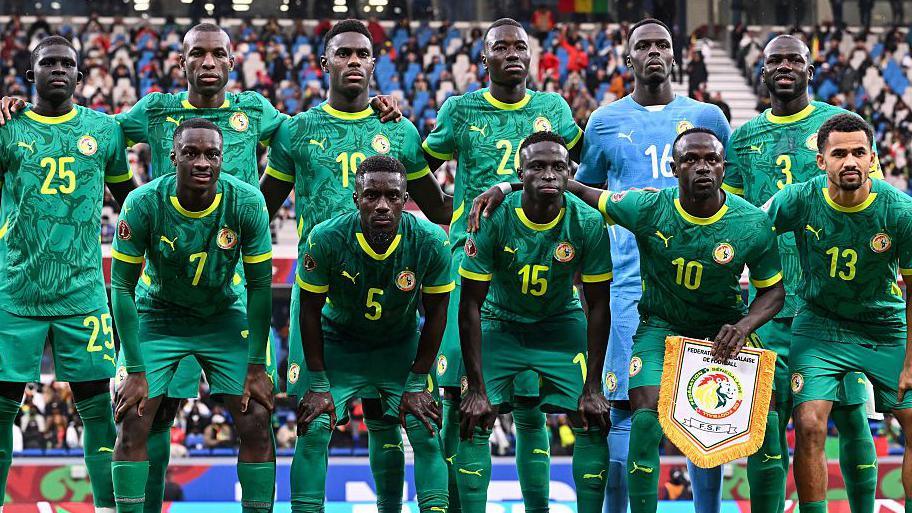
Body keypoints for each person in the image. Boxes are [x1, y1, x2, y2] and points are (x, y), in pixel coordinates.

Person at [473, 128, 785, 513]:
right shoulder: (647, 207)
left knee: (767, 421)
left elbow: (773, 292)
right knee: (645, 419)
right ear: (673, 168)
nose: (702, 167)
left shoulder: (751, 222)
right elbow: (574, 188)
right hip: (661, 327)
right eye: (691, 160)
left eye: (712, 160)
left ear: (724, 167)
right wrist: (506, 187)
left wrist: (744, 326)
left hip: (724, 331)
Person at [260, 20, 451, 513]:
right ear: (324, 63)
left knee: (392, 420)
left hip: (391, 293)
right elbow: (261, 208)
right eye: (341, 54)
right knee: (313, 418)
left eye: (361, 54)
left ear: (374, 63)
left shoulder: (399, 130)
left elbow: (440, 211)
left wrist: (502, 194)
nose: (352, 62)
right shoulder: (296, 130)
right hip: (323, 297)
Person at [421, 18, 584, 512]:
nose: (513, 53)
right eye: (501, 47)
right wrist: (447, 213)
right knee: (457, 396)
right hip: (473, 265)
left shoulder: (552, 108)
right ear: (483, 58)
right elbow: (419, 169)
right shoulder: (460, 109)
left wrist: (511, 190)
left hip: (536, 262)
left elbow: (574, 175)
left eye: (521, 46)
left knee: (530, 404)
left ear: (531, 56)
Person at [570, 18, 730, 513]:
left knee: (706, 420)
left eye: (663, 44)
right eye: (644, 45)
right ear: (627, 59)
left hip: (701, 289)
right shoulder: (603, 122)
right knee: (624, 413)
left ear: (676, 57)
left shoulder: (709, 117)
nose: (655, 52)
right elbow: (586, 205)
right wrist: (587, 279)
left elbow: (732, 200)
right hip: (629, 287)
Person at [723, 34, 880, 513]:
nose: (785, 66)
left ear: (812, 70)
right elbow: (731, 215)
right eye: (776, 60)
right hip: (769, 305)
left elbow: (870, 205)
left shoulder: (840, 127)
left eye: (796, 59)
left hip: (832, 303)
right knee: (765, 425)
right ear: (762, 72)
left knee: (851, 418)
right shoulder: (743, 139)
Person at [110, 118, 275, 512]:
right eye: (191, 153)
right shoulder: (143, 203)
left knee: (256, 420)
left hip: (223, 314)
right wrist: (134, 368)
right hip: (158, 313)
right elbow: (120, 287)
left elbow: (260, 287)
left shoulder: (247, 202)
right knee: (133, 417)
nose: (202, 162)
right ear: (173, 157)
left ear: (222, 160)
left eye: (212, 154)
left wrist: (256, 365)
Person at [0, 35, 136, 513]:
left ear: (80, 77)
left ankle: (106, 507)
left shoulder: (104, 130)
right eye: (47, 62)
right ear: (30, 75)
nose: (57, 69)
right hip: (15, 289)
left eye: (66, 64)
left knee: (99, 407)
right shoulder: (8, 127)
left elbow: (129, 203)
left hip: (82, 291)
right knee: (0, 409)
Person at [456, 132, 612, 513]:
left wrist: (593, 385)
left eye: (558, 166)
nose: (548, 174)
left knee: (591, 414)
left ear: (569, 172)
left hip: (559, 321)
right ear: (520, 172)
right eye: (537, 167)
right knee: (475, 416)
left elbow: (598, 305)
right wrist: (476, 387)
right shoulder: (492, 216)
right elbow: (470, 304)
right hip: (499, 321)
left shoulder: (589, 222)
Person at [764, 113, 912, 513]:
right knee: (809, 424)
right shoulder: (798, 198)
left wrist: (910, 362)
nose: (850, 161)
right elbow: (749, 231)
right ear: (821, 161)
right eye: (840, 153)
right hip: (820, 325)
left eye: (859, 152)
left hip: (884, 326)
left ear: (873, 158)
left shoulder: (900, 211)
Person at [293, 155, 451, 513]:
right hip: (339, 346)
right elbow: (309, 311)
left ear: (405, 198)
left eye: (392, 196)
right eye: (371, 195)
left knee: (425, 429)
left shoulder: (429, 241)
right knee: (313, 426)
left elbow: (438, 312)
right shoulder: (326, 237)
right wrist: (318, 383)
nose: (382, 204)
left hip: (399, 349)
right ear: (356, 198)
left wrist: (417, 380)